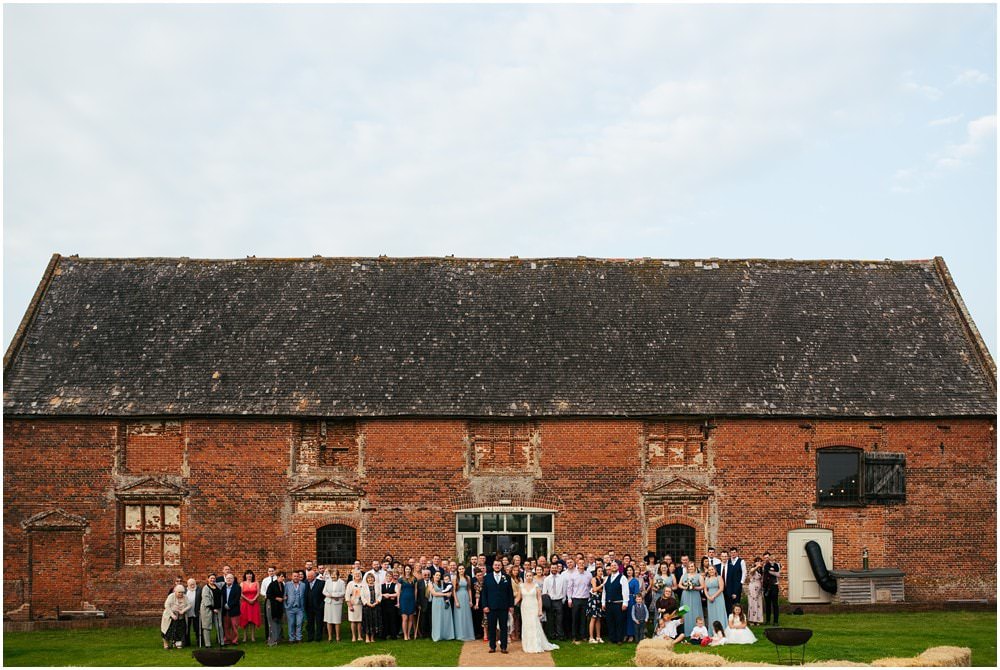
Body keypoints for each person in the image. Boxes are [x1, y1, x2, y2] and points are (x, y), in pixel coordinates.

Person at [516, 563, 559, 653]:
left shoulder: (536, 586)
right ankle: (527, 644)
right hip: (525, 608)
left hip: (534, 606)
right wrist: (510, 604)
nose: (528, 577)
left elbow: (539, 599)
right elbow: (518, 598)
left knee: (535, 625)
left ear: (533, 576)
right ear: (525, 576)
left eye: (530, 575)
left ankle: (536, 644)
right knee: (526, 625)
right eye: (527, 576)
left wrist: (540, 610)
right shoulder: (521, 586)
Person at [481, 558, 515, 654]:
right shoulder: (487, 577)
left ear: (501, 566)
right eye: (495, 565)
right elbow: (484, 593)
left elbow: (510, 592)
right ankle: (492, 646)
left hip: (503, 607)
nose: (497, 566)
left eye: (499, 565)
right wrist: (485, 606)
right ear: (493, 566)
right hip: (491, 607)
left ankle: (504, 647)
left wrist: (511, 605)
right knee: (492, 628)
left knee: (504, 627)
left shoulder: (507, 577)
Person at [602, 562, 630, 644]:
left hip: (618, 603)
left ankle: (619, 639)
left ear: (618, 567)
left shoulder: (622, 577)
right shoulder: (607, 578)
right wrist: (603, 602)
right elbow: (604, 591)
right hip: (609, 603)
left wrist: (625, 603)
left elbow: (625, 591)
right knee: (610, 621)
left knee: (619, 622)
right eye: (612, 566)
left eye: (615, 565)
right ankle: (612, 638)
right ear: (610, 568)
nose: (613, 567)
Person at [161, 585, 191, 649]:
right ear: (176, 592)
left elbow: (189, 605)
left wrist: (183, 610)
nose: (181, 594)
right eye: (179, 592)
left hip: (180, 617)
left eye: (182, 592)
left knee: (179, 630)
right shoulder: (171, 596)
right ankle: (166, 644)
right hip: (170, 616)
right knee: (167, 630)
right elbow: (166, 605)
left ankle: (177, 643)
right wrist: (172, 615)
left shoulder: (185, 597)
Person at [541, 562, 565, 641]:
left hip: (559, 600)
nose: (554, 569)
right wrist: (546, 602)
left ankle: (560, 635)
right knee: (550, 619)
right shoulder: (547, 579)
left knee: (559, 619)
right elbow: (544, 591)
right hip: (550, 601)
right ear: (550, 569)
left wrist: (563, 600)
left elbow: (564, 590)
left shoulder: (562, 578)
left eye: (555, 568)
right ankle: (551, 635)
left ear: (557, 568)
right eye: (552, 568)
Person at [679, 565, 704, 637]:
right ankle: (686, 632)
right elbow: (679, 585)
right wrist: (685, 587)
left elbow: (702, 586)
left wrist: (694, 587)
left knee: (695, 611)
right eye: (689, 567)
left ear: (695, 567)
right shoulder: (684, 575)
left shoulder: (699, 576)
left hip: (695, 595)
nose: (690, 568)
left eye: (692, 566)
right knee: (685, 611)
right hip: (686, 595)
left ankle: (698, 631)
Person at [453, 564, 476, 641]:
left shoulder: (468, 578)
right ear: (457, 570)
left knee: (467, 615)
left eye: (462, 569)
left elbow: (469, 589)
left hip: (466, 597)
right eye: (460, 569)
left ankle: (468, 634)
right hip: (459, 597)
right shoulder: (455, 578)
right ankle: (460, 634)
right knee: (459, 616)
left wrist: (470, 600)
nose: (461, 570)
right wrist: (456, 601)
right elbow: (453, 591)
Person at [430, 571, 455, 641]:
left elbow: (449, 587)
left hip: (445, 601)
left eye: (439, 575)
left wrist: (450, 593)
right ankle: (438, 635)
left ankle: (447, 635)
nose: (438, 576)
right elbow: (434, 594)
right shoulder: (430, 583)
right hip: (436, 602)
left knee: (446, 618)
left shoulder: (442, 582)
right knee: (437, 619)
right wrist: (445, 594)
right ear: (433, 575)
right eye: (437, 575)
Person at [200, 573, 223, 647]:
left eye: (214, 578)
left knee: (219, 626)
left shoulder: (217, 586)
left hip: (218, 609)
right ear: (208, 579)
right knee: (207, 626)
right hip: (208, 609)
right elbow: (206, 599)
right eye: (211, 578)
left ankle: (221, 642)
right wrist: (213, 609)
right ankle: (208, 644)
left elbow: (226, 582)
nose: (212, 580)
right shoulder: (205, 588)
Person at [704, 565, 727, 639]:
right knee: (712, 614)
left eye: (712, 569)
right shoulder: (706, 578)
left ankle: (722, 631)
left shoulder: (719, 577)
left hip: (718, 597)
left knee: (719, 613)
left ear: (715, 570)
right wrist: (708, 597)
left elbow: (721, 588)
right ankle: (712, 632)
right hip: (709, 598)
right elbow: (705, 589)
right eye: (709, 570)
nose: (711, 571)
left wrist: (713, 596)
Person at [323, 568, 346, 641]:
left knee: (337, 620)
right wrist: (329, 595)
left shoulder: (341, 582)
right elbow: (324, 591)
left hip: (337, 603)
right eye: (332, 575)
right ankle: (329, 637)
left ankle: (337, 637)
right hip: (328, 603)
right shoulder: (327, 582)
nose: (333, 576)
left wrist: (333, 595)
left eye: (335, 575)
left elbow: (343, 592)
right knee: (329, 620)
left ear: (338, 575)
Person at [284, 570, 306, 643]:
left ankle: (299, 638)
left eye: (297, 576)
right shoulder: (287, 584)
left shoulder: (303, 585)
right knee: (291, 624)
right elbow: (284, 595)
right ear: (292, 577)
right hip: (290, 608)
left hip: (300, 607)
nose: (296, 577)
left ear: (299, 577)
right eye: (294, 576)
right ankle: (291, 639)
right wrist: (286, 605)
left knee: (299, 623)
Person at [360, 573, 383, 643]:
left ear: (374, 579)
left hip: (376, 606)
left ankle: (372, 637)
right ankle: (367, 637)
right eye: (369, 578)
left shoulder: (377, 586)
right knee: (367, 622)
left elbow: (380, 595)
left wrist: (376, 602)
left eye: (372, 578)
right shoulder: (363, 587)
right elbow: (362, 597)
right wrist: (368, 603)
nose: (370, 579)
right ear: (367, 579)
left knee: (374, 622)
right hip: (367, 607)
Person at [239, 570, 260, 643]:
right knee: (245, 619)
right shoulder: (242, 583)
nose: (249, 575)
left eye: (250, 574)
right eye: (247, 574)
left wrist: (254, 599)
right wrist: (248, 599)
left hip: (254, 603)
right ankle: (245, 636)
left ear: (252, 575)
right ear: (245, 575)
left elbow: (258, 592)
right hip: (245, 603)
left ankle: (253, 636)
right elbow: (241, 594)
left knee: (253, 620)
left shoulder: (256, 583)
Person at [265, 571, 285, 646]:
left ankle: (278, 638)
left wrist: (283, 598)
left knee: (278, 621)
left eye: (283, 577)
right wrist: (276, 598)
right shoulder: (272, 584)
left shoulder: (282, 585)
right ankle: (272, 640)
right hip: (271, 604)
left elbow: (281, 594)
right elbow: (268, 594)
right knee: (272, 622)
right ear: (278, 576)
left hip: (279, 606)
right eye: (281, 576)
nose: (283, 578)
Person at [220, 573, 241, 646]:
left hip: (234, 609)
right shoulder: (223, 587)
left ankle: (234, 640)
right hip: (225, 610)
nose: (229, 579)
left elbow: (237, 598)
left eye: (230, 578)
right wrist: (225, 605)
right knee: (226, 626)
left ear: (233, 579)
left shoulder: (237, 587)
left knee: (234, 626)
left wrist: (229, 605)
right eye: (227, 578)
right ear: (225, 579)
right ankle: (227, 640)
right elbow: (221, 598)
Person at [305, 570, 325, 642]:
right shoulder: (305, 583)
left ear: (314, 576)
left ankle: (318, 638)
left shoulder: (321, 583)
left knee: (319, 622)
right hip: (309, 607)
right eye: (307, 576)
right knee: (310, 623)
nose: (308, 578)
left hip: (318, 607)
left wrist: (321, 605)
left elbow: (324, 595)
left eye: (309, 576)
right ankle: (310, 637)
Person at [586, 566, 605, 644]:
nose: (600, 572)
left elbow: (601, 590)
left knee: (598, 619)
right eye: (599, 571)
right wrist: (602, 585)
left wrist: (600, 587)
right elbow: (594, 589)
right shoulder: (594, 579)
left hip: (599, 600)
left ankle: (598, 637)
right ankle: (591, 637)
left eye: (601, 571)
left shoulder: (602, 579)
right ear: (596, 572)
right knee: (593, 618)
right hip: (594, 600)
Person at [398, 565, 417, 640]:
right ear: (404, 570)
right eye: (406, 569)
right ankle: (405, 635)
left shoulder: (414, 579)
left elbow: (415, 590)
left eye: (409, 569)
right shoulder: (401, 579)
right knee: (405, 618)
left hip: (411, 599)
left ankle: (409, 634)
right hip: (403, 600)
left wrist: (415, 600)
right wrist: (398, 601)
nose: (408, 570)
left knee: (410, 619)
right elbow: (399, 591)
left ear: (411, 570)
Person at [762, 552, 781, 626]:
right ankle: (768, 620)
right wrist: (772, 571)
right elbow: (768, 571)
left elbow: (778, 574)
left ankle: (776, 621)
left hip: (774, 586)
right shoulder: (766, 565)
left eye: (773, 560)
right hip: (767, 586)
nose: (772, 561)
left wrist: (771, 571)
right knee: (767, 604)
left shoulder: (777, 565)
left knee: (775, 604)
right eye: (770, 560)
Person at [624, 565, 641, 642]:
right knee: (624, 617)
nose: (629, 571)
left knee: (631, 617)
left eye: (630, 570)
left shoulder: (635, 581)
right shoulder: (623, 580)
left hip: (631, 600)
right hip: (624, 600)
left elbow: (637, 592)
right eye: (627, 570)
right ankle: (625, 634)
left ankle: (631, 635)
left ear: (633, 571)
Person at [346, 570, 365, 642]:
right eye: (356, 574)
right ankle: (353, 636)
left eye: (359, 574)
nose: (357, 575)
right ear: (353, 575)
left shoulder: (363, 583)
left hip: (361, 605)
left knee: (360, 621)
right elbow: (347, 595)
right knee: (353, 621)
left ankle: (359, 636)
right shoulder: (350, 583)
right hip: (353, 604)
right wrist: (349, 605)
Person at [746, 557, 764, 625]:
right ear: (755, 563)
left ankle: (758, 620)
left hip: (759, 588)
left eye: (760, 561)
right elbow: (751, 571)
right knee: (752, 603)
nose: (759, 563)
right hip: (753, 588)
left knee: (759, 603)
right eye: (757, 561)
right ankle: (752, 620)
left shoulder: (761, 570)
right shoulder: (753, 569)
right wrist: (757, 566)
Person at [260, 566, 276, 642]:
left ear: (275, 571)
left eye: (272, 571)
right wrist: (267, 595)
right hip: (268, 600)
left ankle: (277, 635)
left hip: (276, 601)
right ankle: (268, 636)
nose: (271, 572)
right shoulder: (265, 580)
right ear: (268, 572)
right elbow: (262, 591)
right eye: (269, 571)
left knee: (276, 618)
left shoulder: (278, 579)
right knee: (267, 618)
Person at [415, 568, 431, 639]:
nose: (427, 576)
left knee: (431, 619)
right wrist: (418, 604)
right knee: (423, 620)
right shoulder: (419, 582)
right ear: (422, 575)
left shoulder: (432, 581)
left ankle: (430, 633)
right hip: (422, 604)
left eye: (428, 574)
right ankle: (423, 634)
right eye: (425, 575)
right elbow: (417, 594)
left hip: (431, 603)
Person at [471, 568, 485, 642]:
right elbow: (477, 594)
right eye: (478, 575)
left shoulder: (485, 581)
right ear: (475, 576)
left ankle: (485, 633)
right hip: (478, 602)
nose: (480, 576)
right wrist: (476, 604)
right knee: (478, 617)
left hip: (485, 600)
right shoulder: (475, 583)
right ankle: (478, 633)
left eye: (480, 575)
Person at [184, 578, 199, 647]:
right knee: (187, 628)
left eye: (193, 584)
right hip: (187, 613)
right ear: (188, 585)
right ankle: (187, 642)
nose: (192, 586)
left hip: (196, 612)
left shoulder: (199, 590)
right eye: (191, 584)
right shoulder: (184, 591)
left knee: (197, 628)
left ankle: (199, 641)